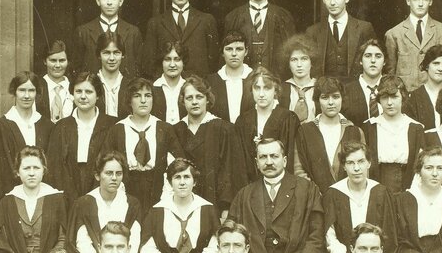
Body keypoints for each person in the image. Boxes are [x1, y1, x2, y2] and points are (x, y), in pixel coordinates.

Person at [102, 76, 184, 211]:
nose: (143, 101)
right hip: (127, 187)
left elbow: (179, 161)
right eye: (137, 96)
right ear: (129, 100)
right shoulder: (118, 129)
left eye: (148, 95)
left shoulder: (164, 128)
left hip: (156, 187)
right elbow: (105, 161)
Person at [0, 147, 66, 253]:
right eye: (26, 168)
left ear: (43, 170)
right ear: (17, 172)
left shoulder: (56, 199)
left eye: (36, 168)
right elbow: (2, 240)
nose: (32, 173)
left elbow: (63, 237)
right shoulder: (7, 201)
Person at [321, 143, 398, 253]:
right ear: (344, 166)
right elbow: (330, 237)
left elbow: (389, 236)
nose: (356, 168)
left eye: (361, 161)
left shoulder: (381, 192)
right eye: (350, 163)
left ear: (369, 163)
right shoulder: (333, 194)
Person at [174, 75, 243, 216]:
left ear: (207, 99)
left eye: (199, 97)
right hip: (183, 201)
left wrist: (226, 208)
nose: (194, 102)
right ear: (183, 101)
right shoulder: (176, 130)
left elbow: (229, 171)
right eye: (189, 98)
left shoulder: (224, 128)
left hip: (216, 201)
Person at [46, 71, 117, 204]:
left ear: (98, 96)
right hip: (68, 193)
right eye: (78, 91)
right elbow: (55, 167)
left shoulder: (111, 125)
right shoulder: (61, 126)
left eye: (89, 92)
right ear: (72, 94)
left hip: (101, 190)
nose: (83, 96)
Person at [67, 151, 142, 253]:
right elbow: (83, 241)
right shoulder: (84, 203)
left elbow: (134, 239)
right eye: (108, 173)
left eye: (118, 173)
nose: (114, 178)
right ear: (97, 175)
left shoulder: (132, 204)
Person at [293, 76, 365, 194]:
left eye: (336, 97)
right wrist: (315, 195)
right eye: (325, 97)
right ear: (317, 100)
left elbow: (362, 168)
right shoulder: (304, 131)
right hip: (315, 200)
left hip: (348, 198)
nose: (331, 102)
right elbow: (299, 170)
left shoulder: (355, 131)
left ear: (342, 99)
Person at [223, 0, 296, 76]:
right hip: (243, 82)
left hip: (276, 82)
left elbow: (292, 54)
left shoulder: (284, 16)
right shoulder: (233, 17)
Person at [384, 0, 442, 91]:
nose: (421, 3)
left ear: (431, 1)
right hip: (406, 98)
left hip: (435, 95)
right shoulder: (394, 34)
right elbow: (390, 74)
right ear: (408, 1)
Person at [145, 0, 218, 77]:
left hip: (198, 87)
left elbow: (214, 61)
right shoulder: (155, 23)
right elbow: (149, 63)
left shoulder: (206, 20)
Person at [234, 66, 300, 184]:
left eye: (267, 88)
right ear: (251, 90)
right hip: (251, 186)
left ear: (275, 90)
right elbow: (240, 163)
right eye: (257, 88)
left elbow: (290, 160)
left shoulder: (288, 118)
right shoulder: (243, 121)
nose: (261, 94)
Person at [361, 75, 423, 195]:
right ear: (379, 99)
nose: (389, 103)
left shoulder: (415, 128)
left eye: (394, 97)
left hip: (407, 185)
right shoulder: (370, 127)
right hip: (377, 183)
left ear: (403, 97)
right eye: (385, 97)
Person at [304, 0, 377, 78]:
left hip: (354, 90)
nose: (332, 2)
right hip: (325, 91)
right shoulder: (312, 32)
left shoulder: (364, 28)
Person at [0, 71, 52, 194]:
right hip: (12, 193)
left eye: (31, 90)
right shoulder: (0, 126)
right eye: (22, 90)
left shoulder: (47, 125)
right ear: (14, 92)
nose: (27, 96)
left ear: (37, 93)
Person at [74, 0, 142, 76]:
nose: (109, 2)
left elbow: (138, 67)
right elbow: (77, 68)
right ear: (98, 1)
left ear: (121, 1)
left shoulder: (133, 32)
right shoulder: (83, 32)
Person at [207, 31, 254, 124]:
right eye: (229, 49)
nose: (234, 54)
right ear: (222, 52)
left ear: (246, 51)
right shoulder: (211, 81)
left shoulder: (255, 78)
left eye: (239, 49)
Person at [341, 39, 387, 127]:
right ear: (360, 61)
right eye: (368, 56)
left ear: (384, 61)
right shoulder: (346, 91)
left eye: (378, 56)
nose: (373, 60)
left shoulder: (394, 90)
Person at [280, 34, 317, 123]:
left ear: (311, 62)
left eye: (304, 59)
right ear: (288, 64)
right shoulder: (281, 89)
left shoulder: (320, 87)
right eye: (294, 60)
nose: (299, 65)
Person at [95, 32, 132, 118]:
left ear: (122, 55)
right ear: (99, 55)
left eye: (116, 52)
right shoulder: (92, 84)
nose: (112, 58)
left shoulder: (130, 85)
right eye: (106, 53)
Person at [150, 40, 188, 125]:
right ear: (161, 62)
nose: (172, 64)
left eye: (177, 59)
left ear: (183, 62)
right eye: (167, 59)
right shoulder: (153, 88)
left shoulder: (188, 87)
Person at [36, 40, 73, 124]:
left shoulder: (74, 87)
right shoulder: (36, 87)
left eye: (62, 60)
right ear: (45, 61)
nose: (57, 65)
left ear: (68, 62)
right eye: (53, 60)